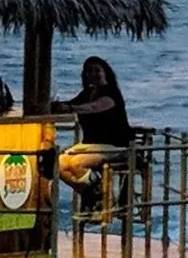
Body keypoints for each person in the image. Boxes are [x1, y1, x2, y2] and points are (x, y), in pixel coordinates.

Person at [51, 56, 135, 209]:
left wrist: (71, 108)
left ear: (105, 72)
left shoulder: (111, 92)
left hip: (116, 146)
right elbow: (72, 103)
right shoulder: (87, 93)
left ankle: (98, 194)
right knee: (59, 163)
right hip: (90, 145)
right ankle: (92, 192)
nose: (93, 74)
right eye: (89, 71)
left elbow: (94, 107)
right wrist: (57, 105)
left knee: (76, 162)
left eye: (97, 70)